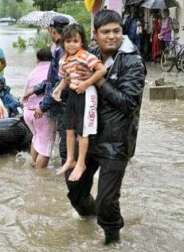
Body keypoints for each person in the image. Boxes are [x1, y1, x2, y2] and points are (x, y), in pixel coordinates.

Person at [64, 10, 145, 245]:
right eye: (105, 32)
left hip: (116, 140)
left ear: (122, 31)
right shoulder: (86, 54)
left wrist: (99, 80)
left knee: (106, 202)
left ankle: (112, 238)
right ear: (95, 35)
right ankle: (90, 218)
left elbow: (128, 103)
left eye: (116, 31)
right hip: (88, 136)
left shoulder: (133, 62)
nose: (112, 36)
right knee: (74, 189)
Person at [52, 24, 106, 179]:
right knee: (69, 129)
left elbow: (102, 70)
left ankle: (81, 163)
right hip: (73, 94)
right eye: (68, 41)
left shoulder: (85, 56)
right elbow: (65, 78)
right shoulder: (64, 60)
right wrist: (59, 89)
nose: (71, 44)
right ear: (63, 42)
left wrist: (87, 83)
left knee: (83, 131)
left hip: (87, 94)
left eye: (75, 41)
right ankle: (70, 159)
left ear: (82, 42)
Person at [23, 16, 70, 163]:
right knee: (46, 143)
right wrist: (36, 90)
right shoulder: (59, 50)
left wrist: (43, 106)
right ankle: (39, 177)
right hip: (58, 102)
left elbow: (57, 83)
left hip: (60, 104)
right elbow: (51, 80)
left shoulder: (61, 51)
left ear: (52, 30)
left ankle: (38, 177)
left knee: (43, 142)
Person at [23, 48, 56, 169]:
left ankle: (32, 168)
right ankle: (39, 178)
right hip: (42, 112)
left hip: (28, 113)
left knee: (37, 139)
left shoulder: (33, 72)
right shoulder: (53, 69)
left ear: (38, 58)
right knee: (45, 148)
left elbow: (26, 91)